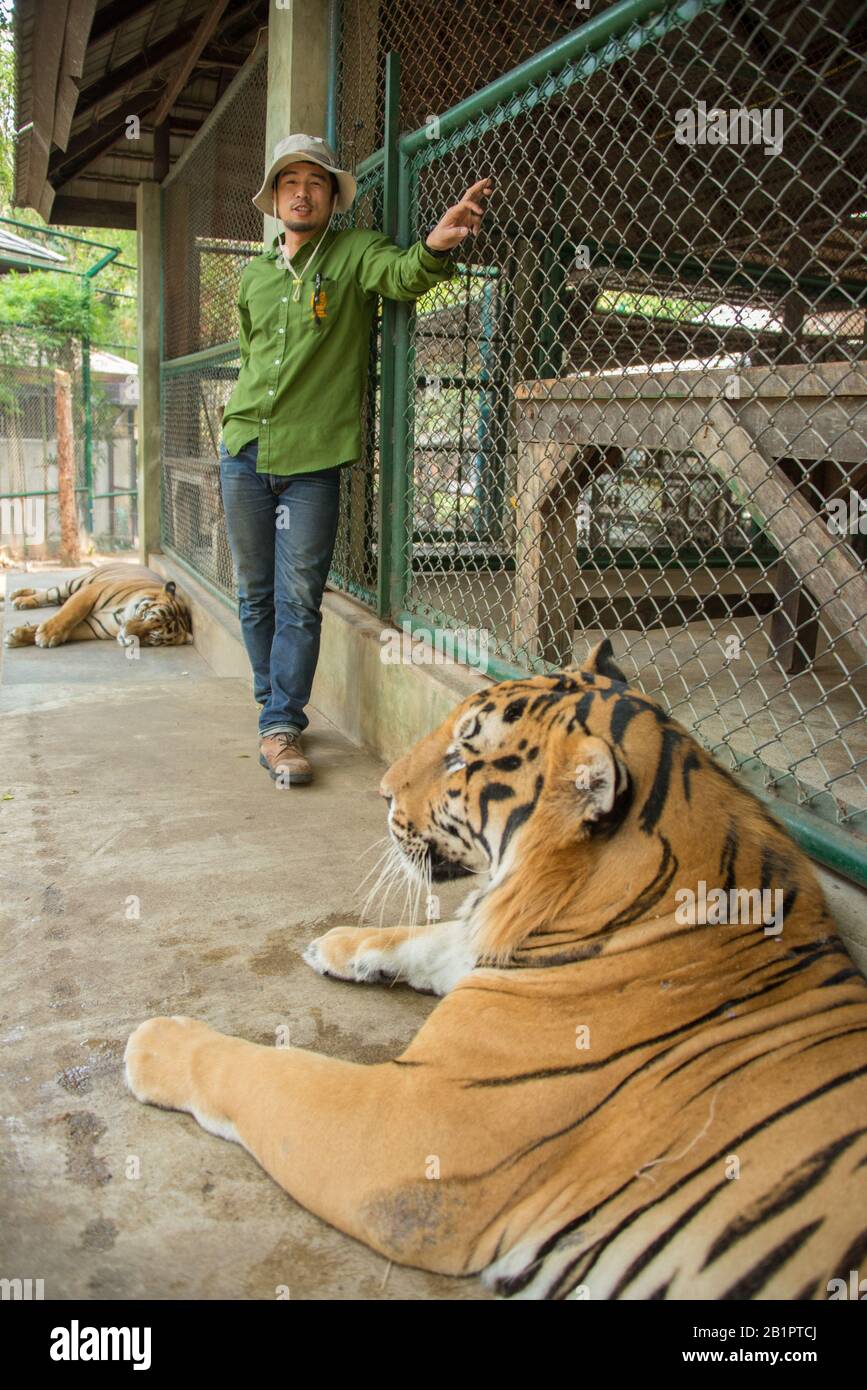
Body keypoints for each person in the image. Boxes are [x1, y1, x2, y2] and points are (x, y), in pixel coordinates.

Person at [219, 133, 492, 785]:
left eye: (315, 182)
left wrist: (434, 244)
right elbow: (254, 355)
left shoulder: (352, 254)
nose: (302, 192)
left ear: (332, 197)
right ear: (275, 197)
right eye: (290, 182)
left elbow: (402, 276)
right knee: (254, 595)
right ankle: (273, 715)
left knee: (299, 597)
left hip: (312, 462)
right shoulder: (255, 276)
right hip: (243, 452)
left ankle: (281, 725)